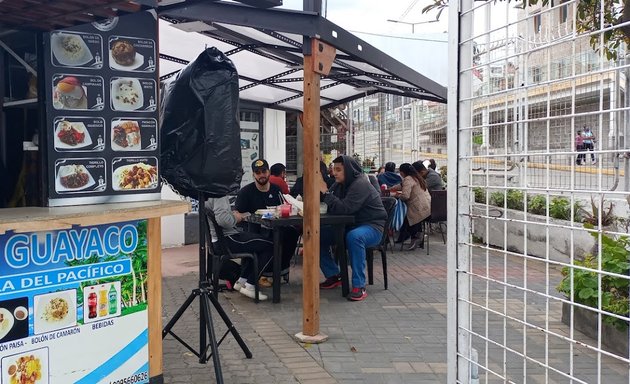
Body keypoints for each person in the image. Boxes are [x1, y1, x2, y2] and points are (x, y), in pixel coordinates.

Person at [318, 155, 388, 301]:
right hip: (348, 226)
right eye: (333, 169)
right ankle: (333, 275)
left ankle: (359, 286)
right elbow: (330, 203)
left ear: (349, 170)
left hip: (372, 226)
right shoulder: (339, 184)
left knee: (355, 237)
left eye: (338, 170)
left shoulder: (360, 184)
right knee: (316, 236)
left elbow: (345, 208)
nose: (334, 173)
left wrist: (325, 193)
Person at [235, 159, 298, 270]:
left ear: (269, 172)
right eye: (258, 172)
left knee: (292, 233)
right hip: (254, 228)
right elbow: (236, 214)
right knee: (259, 235)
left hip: (275, 227)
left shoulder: (276, 190)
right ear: (253, 174)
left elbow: (281, 208)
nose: (262, 175)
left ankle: (281, 268)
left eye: (264, 171)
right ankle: (256, 271)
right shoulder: (245, 192)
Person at [206, 196, 272, 300]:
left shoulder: (208, 192)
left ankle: (242, 281)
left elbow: (220, 216)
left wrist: (231, 214)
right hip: (228, 240)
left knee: (257, 244)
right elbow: (224, 221)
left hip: (218, 241)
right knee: (271, 245)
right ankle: (250, 285)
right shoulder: (219, 194)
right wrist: (237, 217)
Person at [390, 163, 431, 250]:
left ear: (402, 172)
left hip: (418, 208)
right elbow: (401, 186)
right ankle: (415, 236)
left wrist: (395, 195)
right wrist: (391, 188)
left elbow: (405, 196)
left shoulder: (408, 179)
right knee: (408, 218)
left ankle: (415, 237)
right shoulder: (416, 177)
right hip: (427, 207)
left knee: (405, 219)